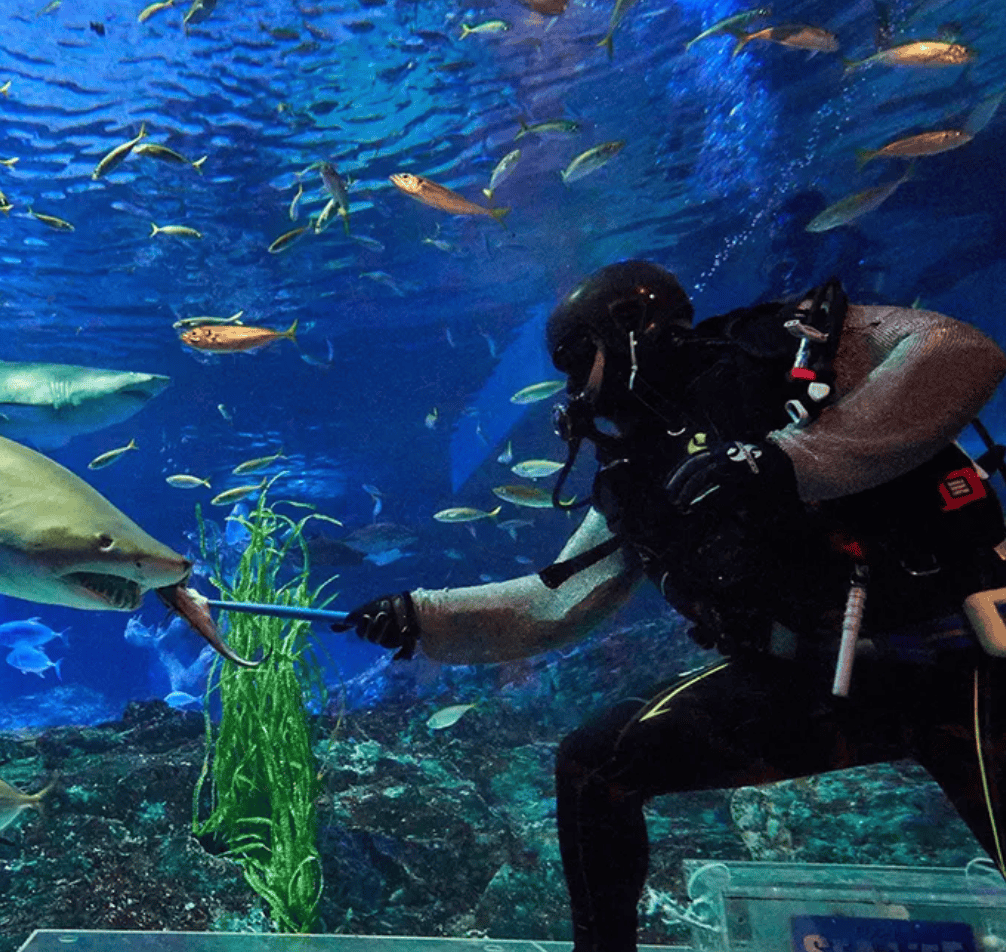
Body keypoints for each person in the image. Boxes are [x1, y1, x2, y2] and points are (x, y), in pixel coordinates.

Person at [336, 261, 1006, 952]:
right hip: (809, 682)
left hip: (966, 659)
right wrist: (418, 616)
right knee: (596, 765)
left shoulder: (777, 348)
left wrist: (785, 459)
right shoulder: (637, 474)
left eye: (576, 361)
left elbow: (960, 352)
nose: (571, 390)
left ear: (627, 329)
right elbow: (556, 601)